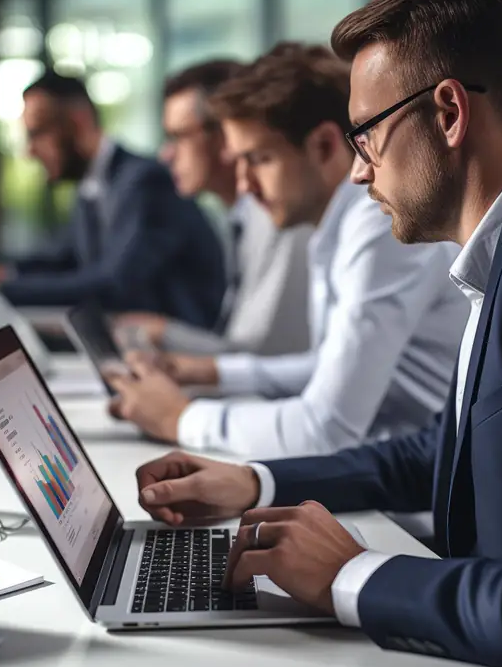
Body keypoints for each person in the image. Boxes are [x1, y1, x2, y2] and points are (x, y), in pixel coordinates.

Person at [134, 0, 502, 667]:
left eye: (367, 134)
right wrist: (254, 480)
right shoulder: (500, 253)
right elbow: (436, 452)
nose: (357, 172)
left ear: (448, 113)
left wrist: (352, 576)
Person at [108, 43, 467, 459]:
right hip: (390, 472)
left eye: (258, 159)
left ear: (323, 146)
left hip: (416, 500)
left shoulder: (378, 224)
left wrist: (182, 418)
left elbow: (326, 428)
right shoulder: (336, 223)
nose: (243, 185)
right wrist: (210, 372)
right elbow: (328, 368)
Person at [0, 71, 226, 327]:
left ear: (78, 121)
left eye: (37, 133)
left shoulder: (144, 182)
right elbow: (66, 259)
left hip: (183, 353)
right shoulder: (93, 186)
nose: (29, 152)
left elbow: (113, 283)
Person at [115, 59, 311, 356]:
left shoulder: (280, 217)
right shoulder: (241, 220)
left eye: (178, 137)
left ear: (225, 136)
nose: (166, 155)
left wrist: (164, 333)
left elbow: (259, 354)